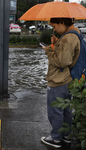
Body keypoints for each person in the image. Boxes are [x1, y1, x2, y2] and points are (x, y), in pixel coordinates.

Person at [41, 18, 80, 148]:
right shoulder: (74, 34)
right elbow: (67, 55)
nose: (54, 29)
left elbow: (61, 62)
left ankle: (55, 139)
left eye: (55, 26)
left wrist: (48, 50)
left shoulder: (68, 38)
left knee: (55, 111)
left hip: (58, 80)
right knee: (65, 110)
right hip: (67, 79)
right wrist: (57, 44)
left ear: (62, 23)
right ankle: (66, 136)